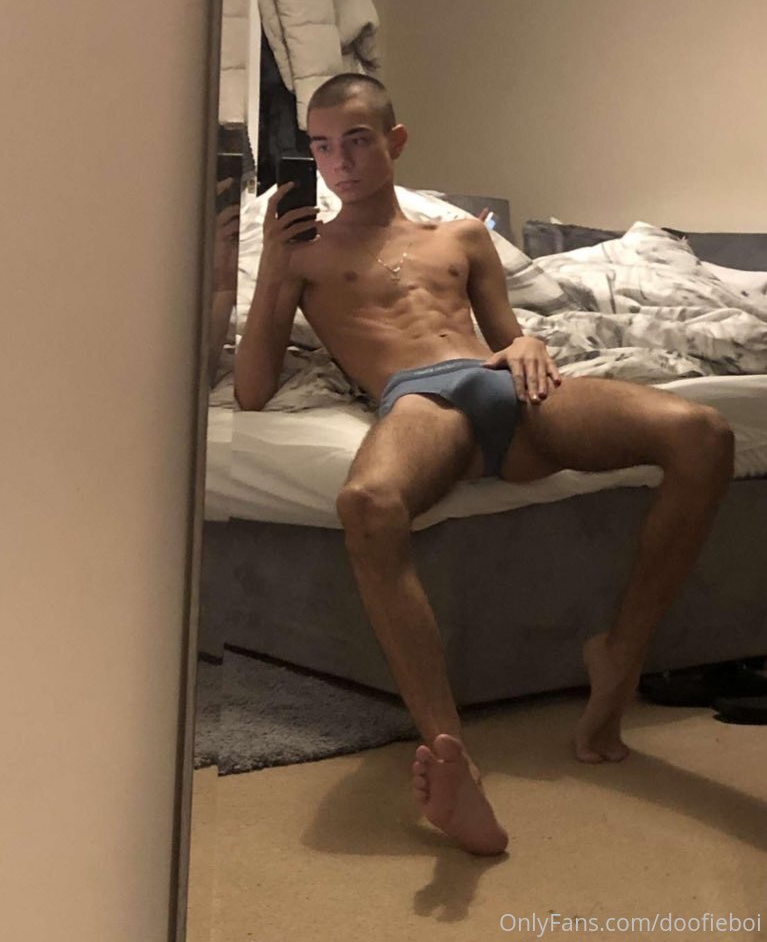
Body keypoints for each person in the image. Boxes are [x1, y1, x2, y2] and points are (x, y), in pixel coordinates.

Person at [235, 73, 735, 857]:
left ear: (395, 142)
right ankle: (451, 757)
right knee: (367, 504)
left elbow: (504, 333)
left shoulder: (460, 238)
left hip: (509, 388)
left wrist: (527, 340)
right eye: (323, 147)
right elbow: (252, 391)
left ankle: (620, 652)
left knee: (702, 433)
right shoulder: (304, 256)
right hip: (421, 403)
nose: (340, 163)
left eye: (357, 141)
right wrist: (271, 265)